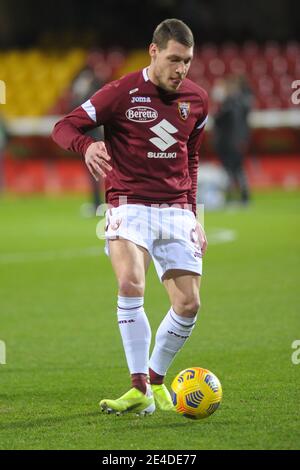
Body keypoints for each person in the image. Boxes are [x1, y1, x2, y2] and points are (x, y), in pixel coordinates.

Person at [52, 18, 208, 416]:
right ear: (153, 52)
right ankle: (137, 385)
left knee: (188, 305)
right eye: (174, 59)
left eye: (187, 61)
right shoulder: (121, 92)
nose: (181, 70)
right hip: (128, 203)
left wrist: (194, 215)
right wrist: (86, 145)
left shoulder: (198, 100)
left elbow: (190, 158)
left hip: (176, 208)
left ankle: (155, 383)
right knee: (130, 280)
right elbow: (64, 126)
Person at [212, 75, 251, 205]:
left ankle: (233, 197)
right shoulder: (239, 103)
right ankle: (241, 196)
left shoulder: (230, 105)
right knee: (236, 170)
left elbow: (219, 121)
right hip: (235, 142)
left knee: (231, 170)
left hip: (229, 143)